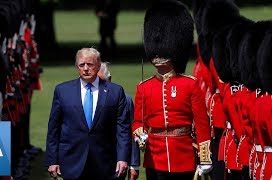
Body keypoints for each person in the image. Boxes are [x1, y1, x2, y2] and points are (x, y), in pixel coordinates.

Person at [131, 0, 212, 179]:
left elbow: (201, 124)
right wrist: (140, 134)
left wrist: (205, 158)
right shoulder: (144, 87)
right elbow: (138, 121)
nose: (158, 56)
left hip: (183, 155)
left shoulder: (190, 84)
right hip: (155, 157)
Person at [46, 47, 131, 179]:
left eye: (90, 64)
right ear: (76, 67)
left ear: (98, 66)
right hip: (71, 162)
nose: (85, 68)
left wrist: (123, 158)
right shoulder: (62, 91)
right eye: (81, 65)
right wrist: (52, 160)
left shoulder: (115, 92)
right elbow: (54, 129)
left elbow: (123, 129)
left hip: (106, 163)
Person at [98, 62, 140, 180]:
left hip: (116, 164)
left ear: (109, 79)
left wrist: (134, 165)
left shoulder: (125, 99)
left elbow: (132, 132)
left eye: (102, 81)